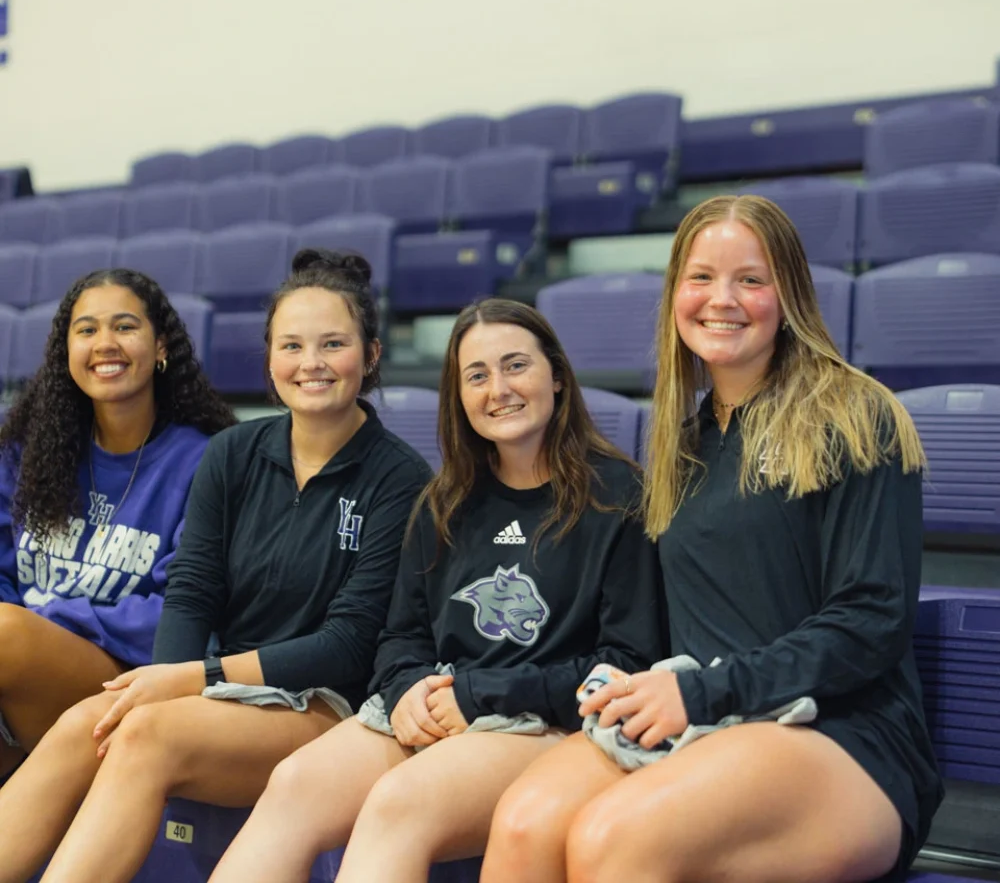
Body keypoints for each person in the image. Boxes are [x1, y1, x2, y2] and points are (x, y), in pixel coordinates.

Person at [482, 195, 943, 883]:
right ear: (675, 294)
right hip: (707, 719)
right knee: (524, 822)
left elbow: (869, 623)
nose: (721, 299)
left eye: (750, 280)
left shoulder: (856, 414)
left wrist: (701, 694)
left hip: (843, 736)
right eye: (701, 278)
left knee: (614, 838)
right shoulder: (683, 442)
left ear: (788, 294)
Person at [0, 249, 431, 883]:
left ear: (368, 357)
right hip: (221, 691)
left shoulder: (400, 477)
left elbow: (345, 646)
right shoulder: (233, 453)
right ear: (270, 361)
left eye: (332, 344)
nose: (309, 363)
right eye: (291, 346)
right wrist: (169, 682)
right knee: (80, 726)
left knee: (146, 734)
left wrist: (184, 682)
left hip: (323, 704)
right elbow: (192, 594)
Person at [207, 297, 664, 883]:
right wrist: (405, 692)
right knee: (294, 784)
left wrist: (477, 695)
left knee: (398, 803)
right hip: (440, 709)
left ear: (556, 374)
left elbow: (626, 663)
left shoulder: (618, 496)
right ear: (460, 396)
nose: (498, 388)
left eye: (516, 365)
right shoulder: (445, 501)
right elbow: (401, 636)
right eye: (477, 376)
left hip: (544, 722)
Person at [0, 268, 235, 782]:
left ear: (161, 345)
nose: (105, 343)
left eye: (125, 327)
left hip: (130, 673)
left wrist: (48, 624)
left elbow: (186, 611)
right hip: (19, 665)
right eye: (86, 330)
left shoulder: (205, 460)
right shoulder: (29, 452)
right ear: (66, 352)